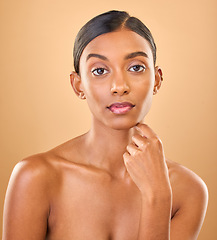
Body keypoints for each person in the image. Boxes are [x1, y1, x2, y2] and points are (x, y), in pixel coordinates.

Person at [3, 10, 208, 240]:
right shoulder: (36, 178)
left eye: (136, 67)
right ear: (78, 85)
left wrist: (158, 196)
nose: (119, 86)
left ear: (157, 79)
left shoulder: (188, 190)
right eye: (100, 70)